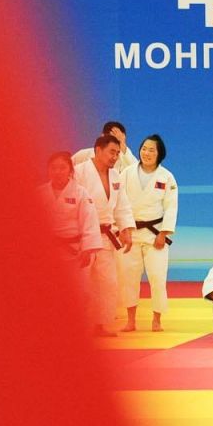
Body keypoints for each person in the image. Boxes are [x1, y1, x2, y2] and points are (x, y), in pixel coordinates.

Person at [73, 132, 136, 335]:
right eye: (111, 152)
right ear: (98, 150)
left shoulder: (115, 176)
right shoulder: (79, 172)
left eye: (117, 153)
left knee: (108, 283)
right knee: (82, 283)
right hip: (83, 236)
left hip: (106, 235)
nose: (115, 157)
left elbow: (122, 205)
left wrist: (126, 229)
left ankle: (100, 324)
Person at [117, 133, 176, 333]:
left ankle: (156, 319)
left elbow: (171, 207)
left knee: (157, 277)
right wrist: (121, 228)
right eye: (144, 149)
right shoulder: (126, 173)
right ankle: (130, 320)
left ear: (159, 154)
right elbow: (118, 202)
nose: (147, 153)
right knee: (129, 278)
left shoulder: (166, 177)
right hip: (130, 232)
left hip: (155, 233)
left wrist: (164, 233)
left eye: (152, 150)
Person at [40, 151, 105, 280]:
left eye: (62, 168)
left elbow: (89, 221)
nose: (57, 172)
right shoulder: (40, 193)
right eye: (53, 168)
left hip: (76, 251)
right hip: (47, 251)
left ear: (70, 171)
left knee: (78, 287)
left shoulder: (81, 193)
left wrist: (87, 249)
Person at [72, 120, 137, 171]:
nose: (115, 144)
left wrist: (123, 145)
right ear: (102, 136)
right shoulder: (84, 155)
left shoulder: (125, 161)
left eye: (118, 141)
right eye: (112, 139)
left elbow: (137, 173)